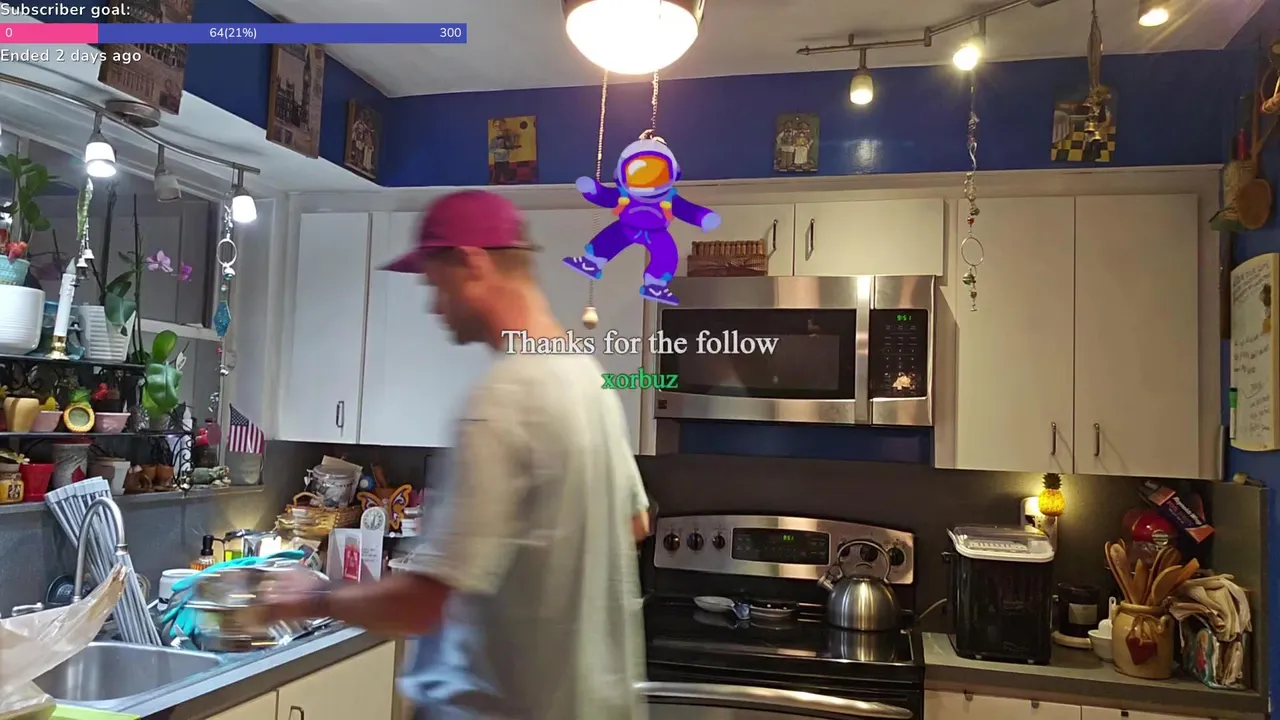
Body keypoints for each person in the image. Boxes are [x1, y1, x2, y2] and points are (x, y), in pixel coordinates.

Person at [266, 190, 652, 720]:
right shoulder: (590, 382)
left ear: (472, 263)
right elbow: (635, 522)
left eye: (436, 284)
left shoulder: (504, 400)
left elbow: (424, 603)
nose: (434, 306)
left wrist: (309, 599)